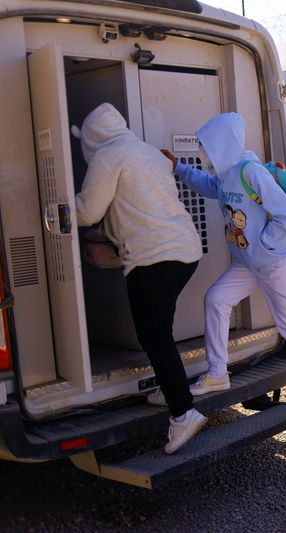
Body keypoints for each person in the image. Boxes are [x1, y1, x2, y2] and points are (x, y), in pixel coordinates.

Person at [165, 112, 286, 411]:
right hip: (250, 263)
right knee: (216, 300)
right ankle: (218, 373)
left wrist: (265, 245)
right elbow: (209, 187)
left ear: (222, 143)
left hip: (276, 262)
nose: (203, 151)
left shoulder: (250, 171)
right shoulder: (227, 173)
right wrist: (178, 168)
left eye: (206, 144)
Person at [73, 103, 205, 454]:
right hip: (186, 252)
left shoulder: (108, 157)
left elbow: (88, 211)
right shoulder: (148, 152)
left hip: (152, 259)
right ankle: (170, 387)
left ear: (92, 138)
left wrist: (58, 207)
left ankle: (183, 413)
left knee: (154, 334)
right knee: (160, 327)